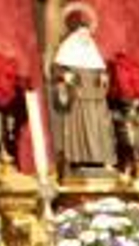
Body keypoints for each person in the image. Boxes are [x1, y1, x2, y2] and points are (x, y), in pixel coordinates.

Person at [52, 5, 115, 175]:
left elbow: (101, 68)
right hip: (78, 97)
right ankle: (78, 160)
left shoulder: (92, 50)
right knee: (79, 128)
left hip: (95, 97)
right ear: (75, 34)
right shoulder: (67, 49)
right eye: (82, 34)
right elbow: (57, 69)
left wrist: (103, 76)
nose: (85, 37)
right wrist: (66, 76)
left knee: (99, 127)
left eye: (87, 33)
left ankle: (102, 158)